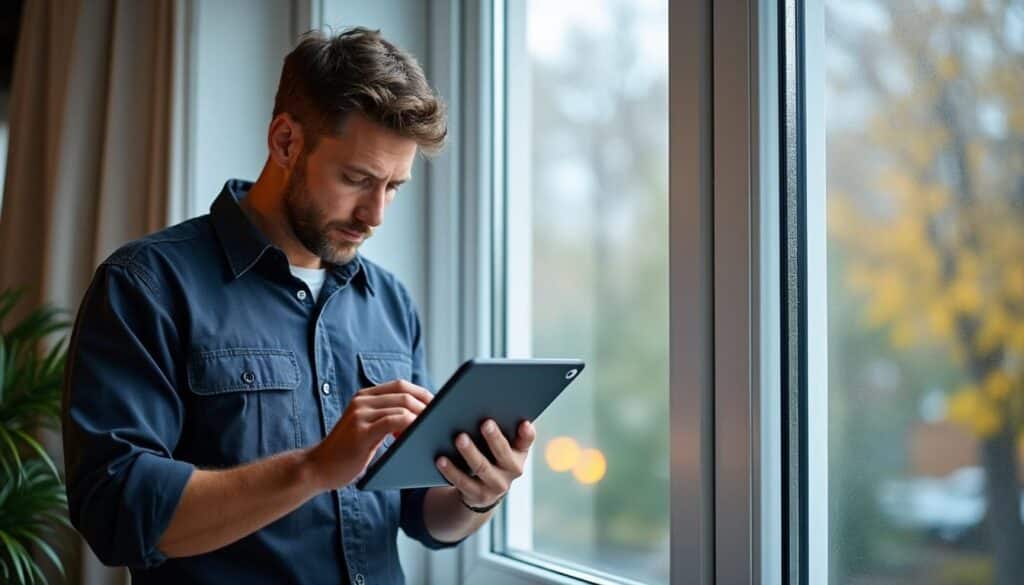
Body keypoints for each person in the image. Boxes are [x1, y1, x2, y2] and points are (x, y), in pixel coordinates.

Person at [61, 27, 535, 585]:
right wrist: (314, 469)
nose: (375, 214)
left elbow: (421, 515)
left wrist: (479, 492)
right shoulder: (147, 285)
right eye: (357, 179)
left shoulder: (389, 302)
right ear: (286, 141)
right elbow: (117, 513)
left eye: (394, 187)